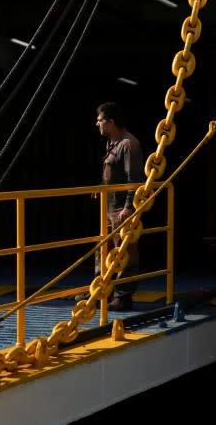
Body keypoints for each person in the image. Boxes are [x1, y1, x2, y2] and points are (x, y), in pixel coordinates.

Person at [77, 102, 145, 311]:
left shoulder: (128, 145)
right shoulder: (112, 143)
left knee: (124, 251)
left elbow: (134, 179)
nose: (96, 123)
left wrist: (128, 208)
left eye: (100, 120)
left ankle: (123, 297)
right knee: (102, 249)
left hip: (120, 208)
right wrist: (101, 187)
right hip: (109, 207)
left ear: (111, 122)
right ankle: (100, 290)